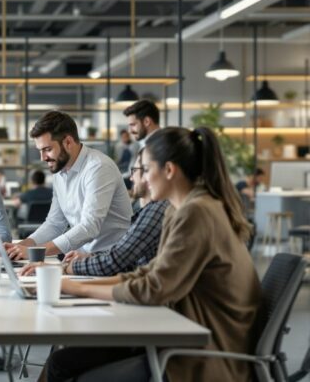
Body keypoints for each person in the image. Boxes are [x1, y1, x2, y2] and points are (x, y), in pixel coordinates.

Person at [42, 127, 261, 382]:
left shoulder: (197, 212)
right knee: (63, 359)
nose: (141, 180)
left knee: (67, 365)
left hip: (202, 351)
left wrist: (78, 289)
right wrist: (66, 285)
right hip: (178, 332)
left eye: (145, 170)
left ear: (169, 170)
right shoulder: (179, 209)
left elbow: (154, 288)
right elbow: (150, 273)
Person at [23, 147, 169, 277]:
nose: (131, 178)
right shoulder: (147, 212)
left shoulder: (156, 211)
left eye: (138, 170)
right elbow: (126, 257)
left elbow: (115, 261)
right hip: (124, 279)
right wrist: (90, 257)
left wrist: (61, 269)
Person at [5, 111, 132, 260]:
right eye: (40, 151)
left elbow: (89, 227)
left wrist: (35, 251)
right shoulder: (60, 171)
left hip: (112, 261)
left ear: (68, 142)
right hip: (81, 259)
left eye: (47, 149)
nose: (43, 158)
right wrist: (21, 246)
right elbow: (55, 223)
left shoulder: (98, 168)